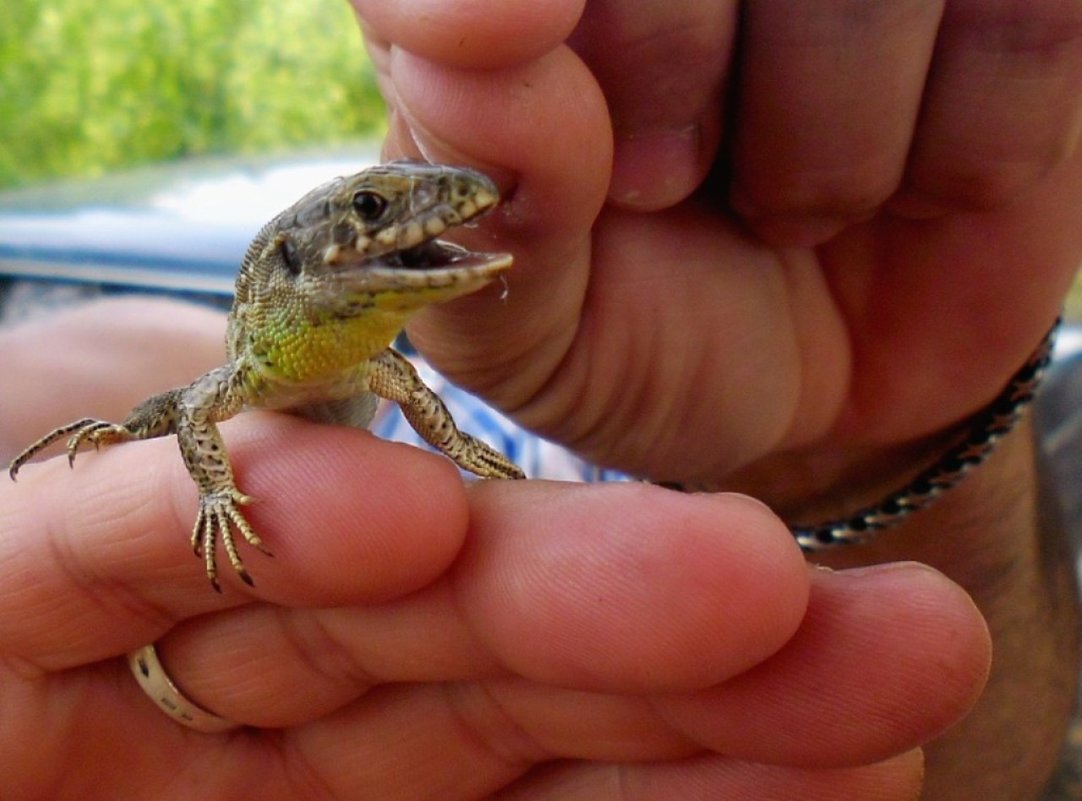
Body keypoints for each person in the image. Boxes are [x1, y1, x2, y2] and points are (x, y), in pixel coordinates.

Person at [0, 2, 1079, 799]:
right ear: (295, 260)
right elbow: (193, 409)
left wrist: (861, 454)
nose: (440, 211)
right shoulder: (235, 369)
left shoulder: (355, 361)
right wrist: (212, 494)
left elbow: (939, 741)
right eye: (382, 208)